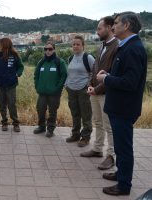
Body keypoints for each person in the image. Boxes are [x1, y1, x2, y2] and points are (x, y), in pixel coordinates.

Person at [97, 12, 147, 196]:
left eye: (116, 23)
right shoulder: (126, 46)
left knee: (124, 148)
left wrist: (106, 79)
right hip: (119, 106)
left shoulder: (133, 49)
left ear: (126, 26)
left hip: (124, 108)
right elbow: (123, 76)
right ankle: (121, 174)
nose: (113, 27)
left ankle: (124, 185)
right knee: (120, 146)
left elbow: (129, 82)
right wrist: (109, 75)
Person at [80, 16, 118, 170]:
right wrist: (90, 84)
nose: (97, 31)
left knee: (109, 126)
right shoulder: (101, 46)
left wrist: (96, 89)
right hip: (95, 92)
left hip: (106, 93)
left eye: (99, 28)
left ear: (109, 28)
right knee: (98, 122)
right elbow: (94, 68)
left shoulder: (117, 47)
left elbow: (112, 73)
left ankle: (111, 156)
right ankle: (97, 149)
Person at [65, 35, 95, 147]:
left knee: (86, 114)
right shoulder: (70, 58)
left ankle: (85, 137)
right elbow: (70, 74)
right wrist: (66, 85)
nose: (75, 46)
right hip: (71, 90)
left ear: (83, 46)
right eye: (74, 44)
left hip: (83, 90)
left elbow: (95, 72)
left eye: (78, 44)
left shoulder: (88, 58)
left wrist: (89, 84)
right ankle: (75, 134)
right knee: (75, 113)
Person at [33, 41, 67, 137]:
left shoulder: (59, 62)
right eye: (46, 49)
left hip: (54, 93)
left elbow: (64, 76)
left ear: (54, 50)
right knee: (40, 109)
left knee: (52, 111)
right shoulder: (41, 62)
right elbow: (36, 75)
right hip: (42, 92)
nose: (48, 51)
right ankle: (41, 127)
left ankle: (50, 129)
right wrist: (37, 86)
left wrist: (57, 88)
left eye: (50, 49)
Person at [0, 38, 24, 132]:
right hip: (0, 85)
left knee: (12, 104)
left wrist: (18, 73)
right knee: (2, 105)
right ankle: (4, 123)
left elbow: (20, 67)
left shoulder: (14, 55)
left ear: (4, 44)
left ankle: (16, 124)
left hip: (11, 85)